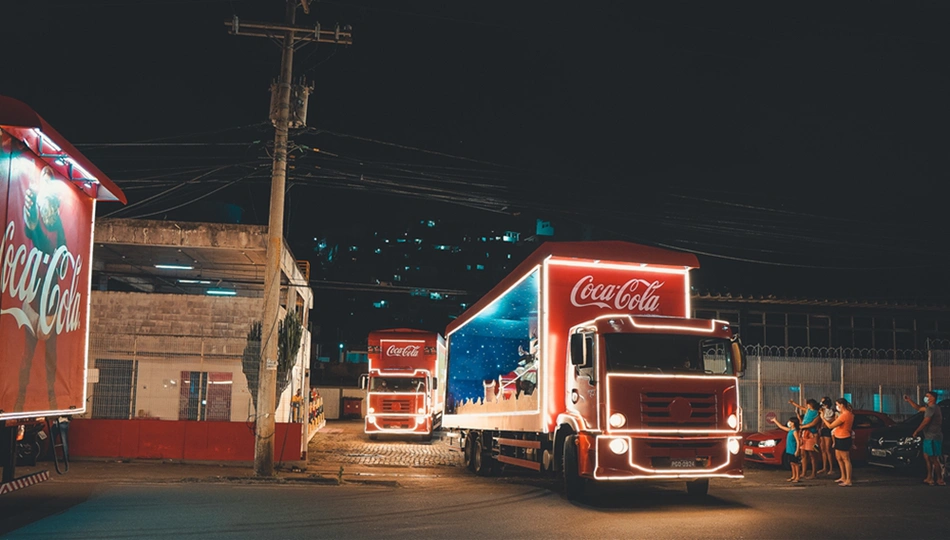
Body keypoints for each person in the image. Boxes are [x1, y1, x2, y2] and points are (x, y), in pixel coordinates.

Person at [904, 391, 945, 486]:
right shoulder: (929, 408)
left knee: (934, 459)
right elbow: (918, 408)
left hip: (933, 437)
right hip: (928, 437)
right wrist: (909, 400)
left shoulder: (932, 408)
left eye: (928, 396)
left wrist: (916, 431)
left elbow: (926, 421)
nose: (926, 397)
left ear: (933, 398)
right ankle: (929, 477)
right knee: (927, 457)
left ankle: (939, 479)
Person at [823, 398, 855, 486]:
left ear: (841, 405)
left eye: (837, 404)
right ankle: (843, 476)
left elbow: (830, 426)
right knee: (839, 458)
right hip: (838, 436)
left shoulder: (846, 415)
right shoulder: (843, 414)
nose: (837, 406)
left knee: (845, 458)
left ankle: (848, 479)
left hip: (844, 437)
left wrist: (823, 418)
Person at [790, 398, 821, 479]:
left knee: (812, 455)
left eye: (808, 404)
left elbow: (812, 424)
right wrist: (793, 403)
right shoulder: (808, 411)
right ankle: (803, 472)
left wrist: (802, 426)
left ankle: (813, 473)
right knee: (803, 454)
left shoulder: (817, 413)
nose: (807, 406)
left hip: (811, 434)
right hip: (804, 433)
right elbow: (801, 407)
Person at [771, 415, 802, 482]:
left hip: (793, 449)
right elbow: (781, 427)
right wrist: (775, 421)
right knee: (791, 463)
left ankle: (797, 477)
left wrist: (797, 450)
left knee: (795, 464)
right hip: (789, 449)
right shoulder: (790, 430)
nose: (789, 423)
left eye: (790, 422)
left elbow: (798, 441)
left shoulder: (795, 431)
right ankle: (793, 476)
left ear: (793, 423)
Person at [817, 397, 837, 476]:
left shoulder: (832, 411)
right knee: (823, 449)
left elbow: (831, 420)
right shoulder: (821, 410)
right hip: (822, 430)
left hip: (827, 430)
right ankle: (824, 467)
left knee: (828, 449)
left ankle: (831, 468)